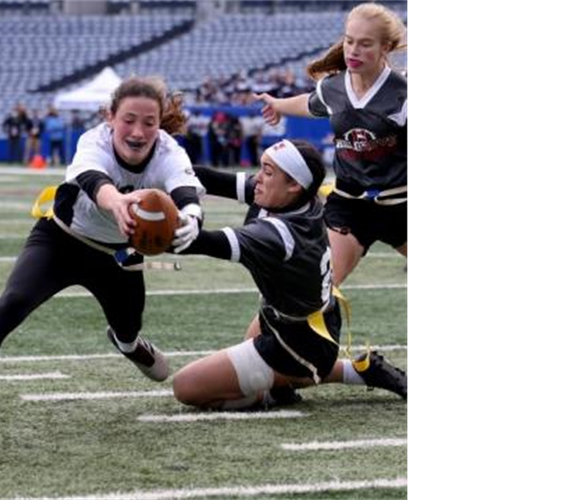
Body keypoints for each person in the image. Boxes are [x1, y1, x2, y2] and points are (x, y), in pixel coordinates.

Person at [0, 77, 206, 434]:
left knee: (129, 329)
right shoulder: (92, 140)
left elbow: (186, 191)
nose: (138, 130)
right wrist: (116, 202)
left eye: (149, 122)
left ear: (160, 124)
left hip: (116, 256)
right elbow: (93, 179)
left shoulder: (168, 152)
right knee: (13, 302)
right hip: (61, 241)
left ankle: (126, 343)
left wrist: (191, 217)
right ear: (110, 116)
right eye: (128, 119)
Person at [172, 139, 408, 410]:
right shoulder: (292, 196)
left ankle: (275, 392)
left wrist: (146, 228)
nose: (257, 179)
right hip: (300, 320)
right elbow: (208, 178)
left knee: (186, 387)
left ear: (294, 184)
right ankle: (360, 370)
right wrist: (159, 171)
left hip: (299, 341)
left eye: (268, 172)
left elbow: (198, 242)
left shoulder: (282, 234)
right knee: (251, 348)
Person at [255, 2, 408, 290]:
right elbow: (311, 103)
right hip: (349, 207)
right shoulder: (334, 87)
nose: (353, 50)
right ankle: (257, 338)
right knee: (309, 289)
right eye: (349, 41)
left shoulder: (402, 95)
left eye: (365, 44)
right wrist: (278, 105)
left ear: (385, 47)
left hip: (401, 204)